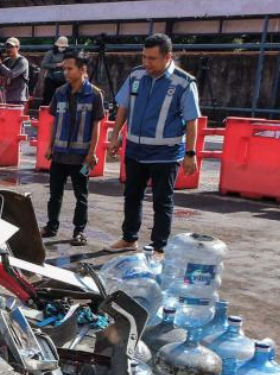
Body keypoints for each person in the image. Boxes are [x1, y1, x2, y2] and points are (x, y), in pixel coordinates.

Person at [108, 34, 200, 255]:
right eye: (144, 57)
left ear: (167, 57)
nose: (146, 63)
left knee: (162, 201)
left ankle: (159, 246)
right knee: (132, 196)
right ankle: (129, 238)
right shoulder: (136, 75)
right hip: (135, 150)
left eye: (152, 58)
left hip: (165, 154)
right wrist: (115, 135)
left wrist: (190, 153)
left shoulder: (184, 82)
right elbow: (123, 106)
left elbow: (191, 120)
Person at [41, 52, 104, 245]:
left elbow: (96, 126)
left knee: (81, 196)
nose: (66, 73)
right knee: (54, 194)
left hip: (81, 157)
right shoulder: (60, 93)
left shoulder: (94, 94)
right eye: (64, 69)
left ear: (82, 70)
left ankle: (79, 231)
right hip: (59, 155)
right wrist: (50, 146)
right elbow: (54, 122)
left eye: (70, 69)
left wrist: (92, 152)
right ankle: (51, 226)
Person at [0, 38, 30, 104]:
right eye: (7, 47)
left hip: (18, 98)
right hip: (8, 97)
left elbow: (12, 74)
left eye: (11, 47)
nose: (8, 49)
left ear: (18, 47)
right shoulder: (7, 60)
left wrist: (0, 64)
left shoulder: (22, 61)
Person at [40, 36, 69, 107]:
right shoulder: (50, 53)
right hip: (51, 78)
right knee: (48, 98)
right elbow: (43, 64)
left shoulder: (67, 54)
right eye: (61, 46)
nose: (62, 48)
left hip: (63, 79)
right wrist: (57, 65)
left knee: (63, 98)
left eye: (64, 47)